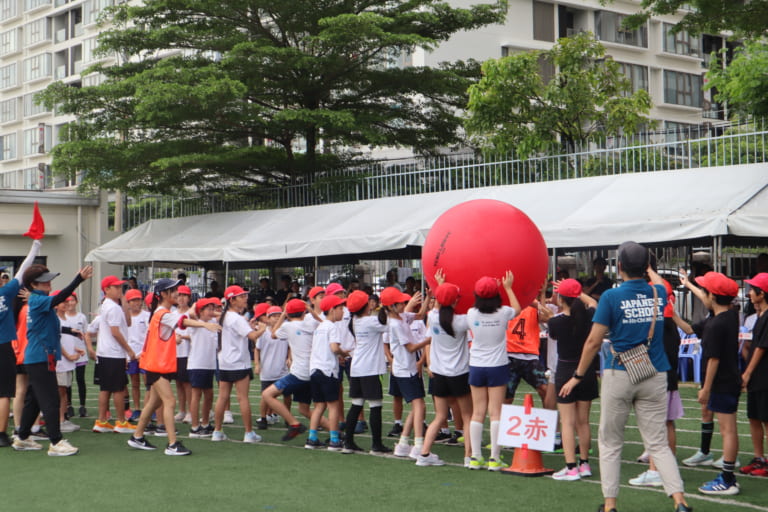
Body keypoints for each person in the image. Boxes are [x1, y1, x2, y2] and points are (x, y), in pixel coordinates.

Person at [560, 241, 691, 512]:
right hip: (655, 372)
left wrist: (577, 375)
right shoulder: (658, 292)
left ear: (618, 267)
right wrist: (648, 269)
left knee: (610, 441)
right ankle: (679, 501)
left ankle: (610, 505)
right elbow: (659, 284)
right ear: (646, 268)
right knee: (658, 442)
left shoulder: (611, 297)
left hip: (620, 372)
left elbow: (593, 342)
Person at [127, 278, 222, 455]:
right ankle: (172, 444)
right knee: (170, 401)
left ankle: (137, 436)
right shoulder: (163, 313)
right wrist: (204, 324)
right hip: (155, 365)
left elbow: (181, 320)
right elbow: (183, 322)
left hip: (155, 364)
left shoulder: (162, 312)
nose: (177, 293)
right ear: (163, 294)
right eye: (173, 290)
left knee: (154, 403)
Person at [13, 263, 92, 456]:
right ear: (33, 284)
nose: (48, 282)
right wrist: (78, 280)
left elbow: (44, 325)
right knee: (51, 399)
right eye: (43, 281)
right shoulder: (38, 300)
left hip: (39, 356)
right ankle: (56, 442)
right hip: (40, 356)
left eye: (49, 279)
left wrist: (68, 330)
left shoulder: (37, 299)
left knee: (34, 399)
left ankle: (22, 437)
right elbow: (60, 297)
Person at [693, 272, 741, 495]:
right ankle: (728, 476)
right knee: (729, 429)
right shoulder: (730, 317)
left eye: (704, 291)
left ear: (712, 295)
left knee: (728, 430)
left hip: (721, 382)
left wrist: (706, 388)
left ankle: (728, 479)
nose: (703, 293)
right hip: (730, 379)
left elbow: (713, 359)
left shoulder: (716, 325)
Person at [465, 272, 519, 471]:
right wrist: (508, 287)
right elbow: (518, 309)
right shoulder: (503, 312)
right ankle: (494, 459)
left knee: (477, 412)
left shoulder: (471, 314)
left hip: (477, 365)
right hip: (497, 365)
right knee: (496, 412)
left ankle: (475, 457)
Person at [418, 277, 473, 467]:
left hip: (439, 373)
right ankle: (469, 456)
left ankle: (424, 454)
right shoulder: (462, 321)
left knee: (440, 416)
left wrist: (440, 284)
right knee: (467, 416)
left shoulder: (432, 317)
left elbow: (437, 305)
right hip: (459, 373)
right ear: (457, 301)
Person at [548, 279, 598, 481]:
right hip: (586, 372)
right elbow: (594, 304)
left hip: (565, 371)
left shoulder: (556, 322)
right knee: (583, 422)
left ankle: (570, 467)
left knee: (567, 423)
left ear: (561, 299)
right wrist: (578, 292)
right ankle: (584, 464)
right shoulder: (588, 317)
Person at [261, 299, 324, 444]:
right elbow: (324, 324)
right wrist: (312, 311)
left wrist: (283, 315)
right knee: (305, 410)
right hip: (313, 371)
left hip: (299, 373)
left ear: (288, 314)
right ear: (304, 312)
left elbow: (273, 334)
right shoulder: (312, 323)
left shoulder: (288, 326)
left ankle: (294, 424)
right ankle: (337, 433)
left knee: (267, 394)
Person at [212, 285, 267, 443]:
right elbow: (253, 336)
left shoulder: (224, 316)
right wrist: (262, 329)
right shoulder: (236, 318)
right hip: (238, 362)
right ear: (232, 300)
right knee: (243, 398)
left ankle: (217, 431)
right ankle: (249, 433)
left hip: (224, 360)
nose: (245, 299)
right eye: (241, 297)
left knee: (222, 397)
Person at [0, 237, 40, 447]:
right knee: (5, 393)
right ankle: (2, 433)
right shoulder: (5, 293)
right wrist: (35, 247)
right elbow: (23, 271)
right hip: (4, 345)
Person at [342, 290, 391, 454]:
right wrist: (386, 307)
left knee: (356, 405)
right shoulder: (370, 321)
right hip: (370, 368)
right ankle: (376, 444)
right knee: (375, 406)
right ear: (365, 306)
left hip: (357, 367)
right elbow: (387, 325)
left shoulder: (354, 320)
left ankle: (348, 442)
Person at [93, 276, 137, 434]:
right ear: (107, 290)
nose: (120, 290)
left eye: (120, 287)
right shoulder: (113, 307)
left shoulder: (107, 305)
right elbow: (116, 332)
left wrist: (123, 300)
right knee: (118, 389)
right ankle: (121, 422)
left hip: (105, 353)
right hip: (114, 353)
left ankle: (102, 421)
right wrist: (129, 351)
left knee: (105, 389)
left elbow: (127, 321)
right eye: (116, 287)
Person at [308, 294, 348, 451]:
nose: (343, 312)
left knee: (319, 406)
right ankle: (334, 439)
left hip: (315, 370)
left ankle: (312, 438)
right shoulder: (332, 327)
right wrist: (344, 354)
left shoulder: (320, 327)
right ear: (332, 310)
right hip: (327, 371)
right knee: (333, 406)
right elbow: (334, 348)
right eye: (340, 308)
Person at [740, 272, 768, 477]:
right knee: (754, 417)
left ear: (762, 293)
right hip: (757, 375)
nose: (749, 293)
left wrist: (747, 372)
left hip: (764, 375)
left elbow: (761, 348)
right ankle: (759, 458)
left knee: (766, 418)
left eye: (752, 289)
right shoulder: (759, 316)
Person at [187, 297, 221, 438]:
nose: (212, 312)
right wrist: (196, 305)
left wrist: (213, 313)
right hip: (197, 364)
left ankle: (205, 423)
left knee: (209, 394)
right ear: (200, 311)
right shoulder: (195, 324)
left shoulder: (213, 322)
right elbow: (190, 313)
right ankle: (195, 427)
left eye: (213, 309)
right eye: (208, 309)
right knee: (196, 395)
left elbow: (222, 314)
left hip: (209, 364)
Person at [254, 306, 290, 430]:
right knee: (265, 395)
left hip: (282, 370)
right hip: (267, 370)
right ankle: (263, 418)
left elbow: (290, 346)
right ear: (268, 319)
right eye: (274, 316)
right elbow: (257, 350)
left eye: (279, 316)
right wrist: (257, 364)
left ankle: (287, 418)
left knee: (287, 394)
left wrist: (289, 358)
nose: (277, 318)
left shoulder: (285, 332)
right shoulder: (263, 333)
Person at [124, 289, 149, 422]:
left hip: (144, 355)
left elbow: (149, 337)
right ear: (128, 302)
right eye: (133, 300)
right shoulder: (125, 317)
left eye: (138, 299)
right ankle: (137, 409)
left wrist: (143, 353)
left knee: (148, 384)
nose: (136, 303)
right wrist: (127, 355)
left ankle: (149, 409)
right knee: (134, 384)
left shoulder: (146, 316)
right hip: (131, 355)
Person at [64, 293, 89, 418]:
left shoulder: (82, 317)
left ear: (76, 302)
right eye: (67, 300)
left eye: (72, 300)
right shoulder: (63, 318)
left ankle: (82, 406)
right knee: (68, 381)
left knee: (80, 379)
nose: (70, 303)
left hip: (81, 354)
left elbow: (86, 334)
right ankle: (68, 405)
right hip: (68, 353)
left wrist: (89, 348)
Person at [174, 285, 193, 423]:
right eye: (179, 295)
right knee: (178, 383)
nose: (181, 298)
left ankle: (190, 412)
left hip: (187, 352)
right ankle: (181, 410)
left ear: (189, 298)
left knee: (187, 384)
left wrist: (182, 337)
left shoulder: (191, 314)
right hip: (174, 353)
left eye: (184, 295)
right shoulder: (172, 313)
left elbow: (195, 335)